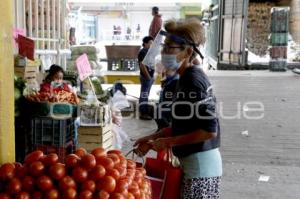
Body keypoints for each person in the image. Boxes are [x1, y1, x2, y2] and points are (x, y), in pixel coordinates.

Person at [134, 18, 222, 198]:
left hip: (201, 169)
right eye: (164, 47)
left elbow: (209, 131)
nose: (164, 52)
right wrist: (153, 137)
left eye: (169, 48)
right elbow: (184, 125)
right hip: (192, 165)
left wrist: (167, 142)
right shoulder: (184, 78)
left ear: (188, 51)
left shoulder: (193, 81)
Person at [138, 36, 154, 120]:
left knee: (145, 94)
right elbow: (142, 65)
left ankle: (145, 111)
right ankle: (142, 113)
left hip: (149, 77)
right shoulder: (143, 52)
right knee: (144, 95)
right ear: (145, 43)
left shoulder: (148, 52)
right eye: (151, 43)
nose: (152, 44)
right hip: (146, 77)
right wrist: (148, 76)